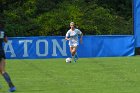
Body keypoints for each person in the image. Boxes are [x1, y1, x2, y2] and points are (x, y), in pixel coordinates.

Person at [0, 23, 16, 92]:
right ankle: (12, 87)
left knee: (2, 71)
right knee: (2, 71)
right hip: (1, 52)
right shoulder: (2, 31)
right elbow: (6, 41)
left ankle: (12, 87)